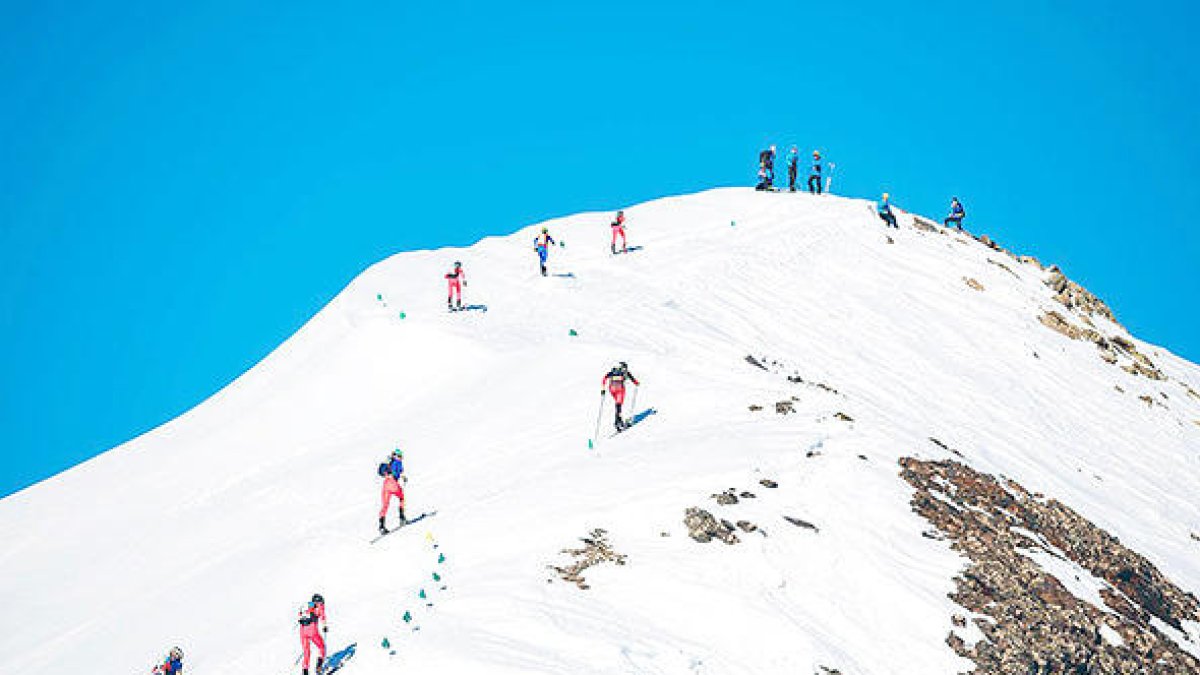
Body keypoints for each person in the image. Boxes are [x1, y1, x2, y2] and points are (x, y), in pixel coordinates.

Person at [601, 361, 640, 432]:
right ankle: (618, 422)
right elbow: (633, 380)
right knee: (618, 405)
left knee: (618, 405)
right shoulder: (626, 372)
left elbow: (604, 378)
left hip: (612, 389)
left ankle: (618, 420)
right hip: (620, 389)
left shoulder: (613, 371)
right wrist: (637, 383)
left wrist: (603, 389)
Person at [298, 594, 328, 675]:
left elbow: (299, 616)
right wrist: (325, 626)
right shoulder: (320, 607)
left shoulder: (307, 606)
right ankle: (319, 668)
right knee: (321, 647)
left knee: (306, 652)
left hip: (302, 631)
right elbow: (323, 617)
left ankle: (305, 671)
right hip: (312, 631)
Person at [378, 449, 407, 534]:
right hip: (393, 483)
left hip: (386, 484)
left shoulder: (389, 462)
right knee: (402, 497)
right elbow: (398, 472)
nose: (401, 458)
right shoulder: (398, 463)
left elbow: (383, 472)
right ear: (396, 456)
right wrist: (403, 478)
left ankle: (381, 526)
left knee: (385, 505)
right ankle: (402, 518)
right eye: (400, 456)